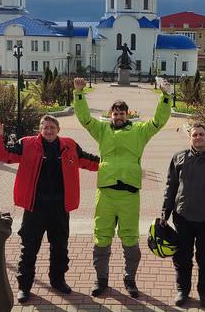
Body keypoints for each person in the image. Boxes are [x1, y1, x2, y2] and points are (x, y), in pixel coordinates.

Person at [73, 76, 172, 298]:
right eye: (115, 113)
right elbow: (85, 119)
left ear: (128, 115)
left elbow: (158, 121)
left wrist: (166, 97)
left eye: (121, 113)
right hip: (106, 193)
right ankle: (101, 280)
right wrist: (78, 94)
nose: (118, 117)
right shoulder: (102, 130)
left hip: (129, 194)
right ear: (111, 115)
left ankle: (130, 280)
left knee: (130, 238)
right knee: (101, 237)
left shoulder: (139, 132)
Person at [0, 114, 99, 304]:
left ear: (58, 129)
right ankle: (24, 286)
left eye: (52, 127)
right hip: (35, 207)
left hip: (60, 207)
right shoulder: (27, 144)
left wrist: (116, 161)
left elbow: (90, 162)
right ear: (40, 129)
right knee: (29, 248)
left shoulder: (70, 145)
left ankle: (58, 281)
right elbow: (2, 155)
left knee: (60, 247)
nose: (49, 130)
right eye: (45, 127)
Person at [161, 122, 205, 308]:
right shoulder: (179, 158)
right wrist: (165, 213)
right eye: (195, 135)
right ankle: (182, 290)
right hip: (182, 217)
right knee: (182, 256)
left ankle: (204, 293)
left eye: (202, 134)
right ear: (190, 137)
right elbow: (171, 187)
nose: (198, 137)